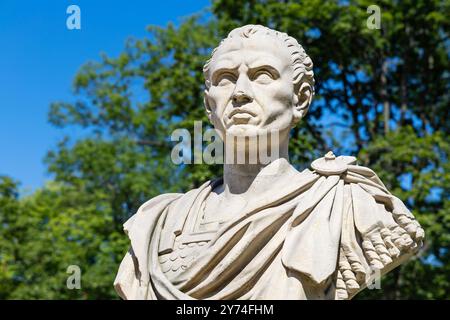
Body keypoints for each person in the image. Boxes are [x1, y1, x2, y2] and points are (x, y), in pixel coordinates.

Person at [114, 24, 424, 300]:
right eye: (225, 79)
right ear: (210, 106)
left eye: (263, 75)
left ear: (300, 99)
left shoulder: (347, 204)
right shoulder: (159, 222)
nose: (240, 93)